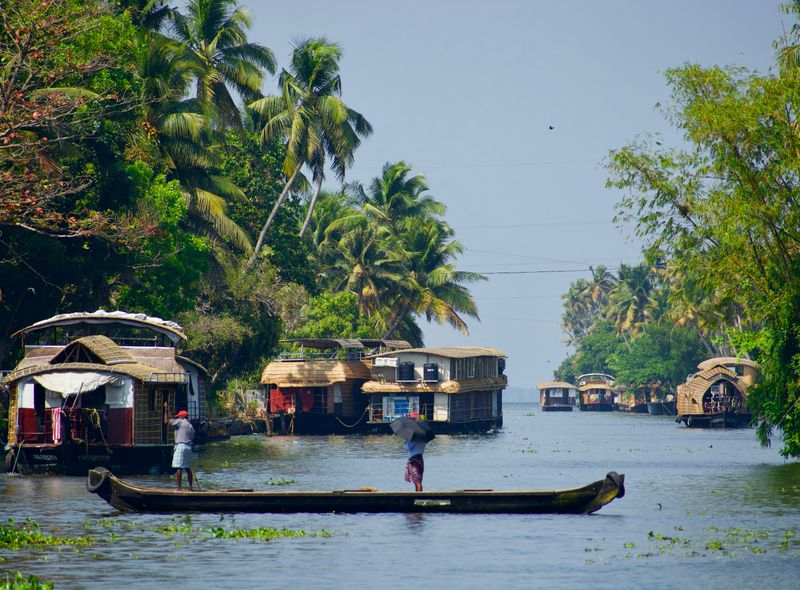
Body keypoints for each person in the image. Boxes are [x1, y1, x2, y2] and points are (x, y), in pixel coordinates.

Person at [166, 407, 195, 491]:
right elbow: (193, 437)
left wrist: (166, 410)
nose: (177, 417)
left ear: (182, 417)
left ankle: (179, 488)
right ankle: (190, 488)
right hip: (189, 447)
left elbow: (167, 421)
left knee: (179, 467)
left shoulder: (180, 422)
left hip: (181, 446)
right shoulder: (190, 425)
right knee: (188, 468)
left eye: (178, 416)